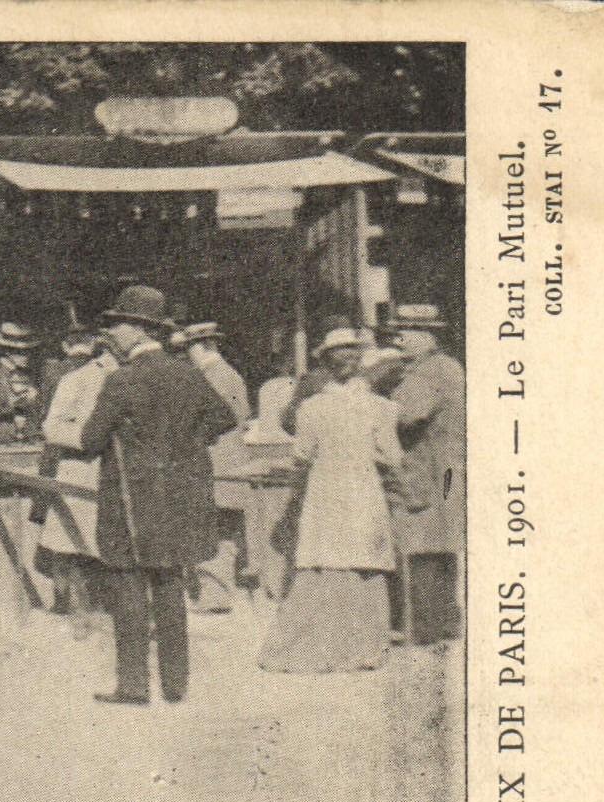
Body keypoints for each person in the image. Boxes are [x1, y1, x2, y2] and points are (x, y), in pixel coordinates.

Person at [79, 286, 238, 705]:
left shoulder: (121, 380)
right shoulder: (188, 373)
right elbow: (225, 417)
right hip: (178, 501)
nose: (112, 334)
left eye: (117, 325)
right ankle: (175, 684)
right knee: (170, 585)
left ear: (138, 330)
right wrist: (183, 449)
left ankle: (134, 686)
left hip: (130, 502)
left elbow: (90, 441)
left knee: (129, 589)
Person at [259, 328, 403, 672]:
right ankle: (364, 649)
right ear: (360, 363)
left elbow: (302, 454)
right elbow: (391, 456)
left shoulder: (311, 408)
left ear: (325, 363)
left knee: (323, 565)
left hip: (325, 495)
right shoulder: (382, 408)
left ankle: (316, 648)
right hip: (363, 492)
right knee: (363, 566)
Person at [387, 305, 465, 644]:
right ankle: (446, 624)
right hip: (447, 469)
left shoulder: (426, 373)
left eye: (405, 333)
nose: (398, 340)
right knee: (443, 547)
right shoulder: (448, 366)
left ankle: (425, 630)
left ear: (427, 337)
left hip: (427, 471)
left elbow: (405, 415)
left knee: (422, 547)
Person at [38, 330, 119, 639]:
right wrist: (88, 439)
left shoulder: (140, 376)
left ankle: (112, 612)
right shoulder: (78, 379)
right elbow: (51, 426)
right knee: (72, 542)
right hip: (83, 469)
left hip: (124, 475)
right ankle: (77, 612)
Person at [182, 321, 251, 614]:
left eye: (189, 348)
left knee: (213, 531)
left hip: (215, 462)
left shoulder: (213, 376)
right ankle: (216, 592)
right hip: (229, 462)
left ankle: (213, 595)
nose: (187, 355)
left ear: (204, 346)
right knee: (221, 530)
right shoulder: (229, 374)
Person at [0, 321, 44, 445]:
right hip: (1, 439)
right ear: (7, 351)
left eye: (29, 351)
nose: (26, 356)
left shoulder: (33, 371)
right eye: (20, 352)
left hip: (30, 438)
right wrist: (13, 404)